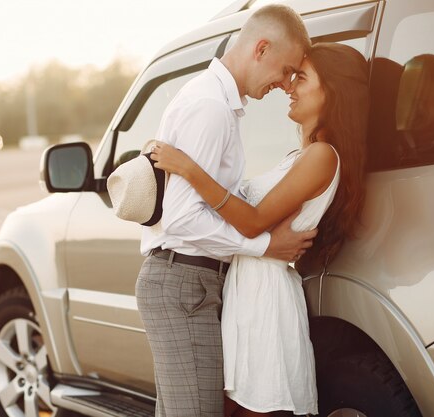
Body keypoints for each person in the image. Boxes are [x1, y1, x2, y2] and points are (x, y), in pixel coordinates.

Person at [150, 42, 370, 416]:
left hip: (265, 299)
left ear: (331, 90)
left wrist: (189, 168)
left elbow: (252, 222)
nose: (289, 86)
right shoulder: (301, 157)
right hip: (248, 291)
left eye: (300, 77)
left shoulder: (323, 156)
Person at [135, 5, 315, 417]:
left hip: (188, 282)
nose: (284, 83)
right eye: (286, 70)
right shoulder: (210, 107)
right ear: (261, 48)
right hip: (184, 283)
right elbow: (183, 218)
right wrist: (264, 246)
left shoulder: (213, 100)